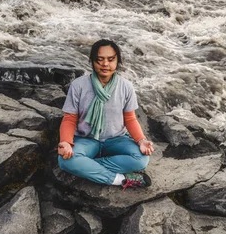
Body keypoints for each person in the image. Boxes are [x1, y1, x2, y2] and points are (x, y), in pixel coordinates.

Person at [57, 39, 154, 189]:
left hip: (116, 139)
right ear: (92, 61)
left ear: (117, 61)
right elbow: (69, 119)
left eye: (111, 59)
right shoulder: (78, 85)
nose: (105, 64)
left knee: (141, 159)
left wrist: (141, 141)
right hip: (86, 139)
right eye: (99, 59)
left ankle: (86, 167)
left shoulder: (126, 87)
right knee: (65, 160)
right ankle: (120, 179)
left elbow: (130, 118)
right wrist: (65, 142)